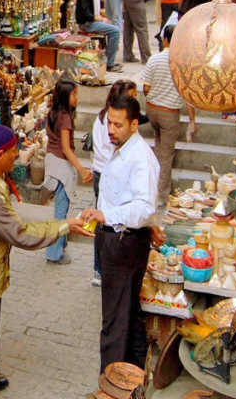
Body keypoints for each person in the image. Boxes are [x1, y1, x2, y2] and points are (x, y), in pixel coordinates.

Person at [0, 125, 92, 399]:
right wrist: (64, 226)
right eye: (14, 153)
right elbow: (22, 234)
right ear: (1, 154)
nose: (17, 158)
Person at [81, 94, 160, 373]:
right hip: (114, 240)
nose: (111, 131)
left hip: (125, 243)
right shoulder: (122, 149)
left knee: (115, 323)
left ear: (134, 124)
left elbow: (144, 207)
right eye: (109, 124)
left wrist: (108, 216)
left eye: (118, 125)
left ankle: (111, 383)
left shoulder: (140, 158)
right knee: (127, 316)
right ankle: (134, 377)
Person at [89, 79, 138, 285]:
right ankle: (101, 268)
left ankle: (107, 268)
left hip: (110, 172)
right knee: (105, 222)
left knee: (110, 220)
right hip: (105, 174)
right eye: (131, 97)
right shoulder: (104, 121)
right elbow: (105, 150)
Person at [141, 24, 196, 206]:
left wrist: (153, 98)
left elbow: (146, 87)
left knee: (159, 150)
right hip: (169, 114)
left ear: (164, 39)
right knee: (165, 156)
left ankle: (153, 187)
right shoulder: (182, 63)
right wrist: (192, 120)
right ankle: (160, 197)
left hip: (152, 110)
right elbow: (188, 94)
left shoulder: (154, 59)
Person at [42, 78, 94, 264]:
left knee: (60, 208)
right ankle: (54, 253)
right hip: (61, 166)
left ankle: (60, 246)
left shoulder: (54, 113)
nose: (77, 97)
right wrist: (81, 169)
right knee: (60, 212)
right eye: (74, 94)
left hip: (52, 161)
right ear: (66, 96)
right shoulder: (65, 118)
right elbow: (66, 148)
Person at [76, 0, 122, 72]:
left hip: (91, 20)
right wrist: (97, 18)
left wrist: (101, 17)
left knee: (112, 26)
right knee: (115, 31)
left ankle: (106, 59)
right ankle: (109, 63)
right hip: (87, 23)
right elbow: (85, 12)